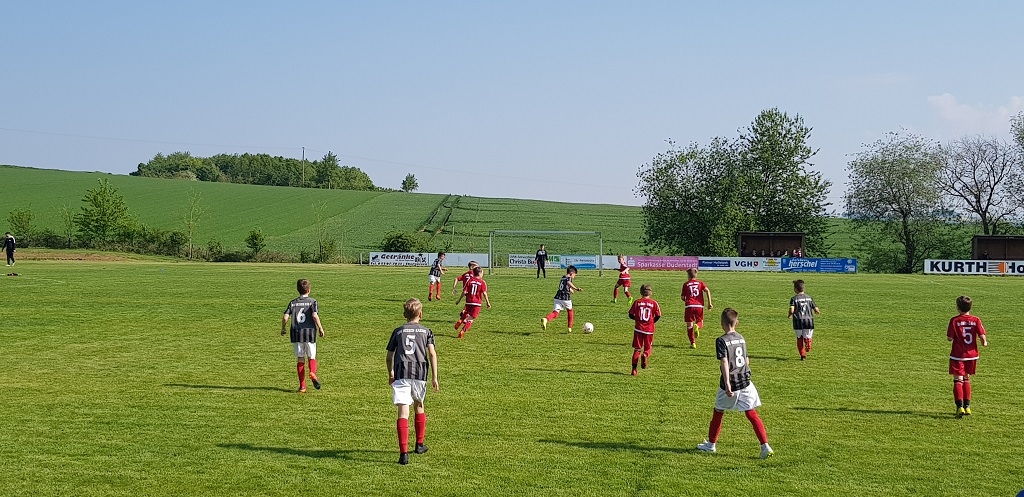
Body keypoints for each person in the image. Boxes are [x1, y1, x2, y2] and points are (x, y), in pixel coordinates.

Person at [697, 308, 773, 459]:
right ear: (736, 322)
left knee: (718, 411)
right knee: (751, 413)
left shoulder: (721, 340)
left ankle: (711, 445)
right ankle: (765, 446)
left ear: (722, 323)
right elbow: (746, 359)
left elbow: (724, 361)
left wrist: (727, 383)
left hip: (732, 383)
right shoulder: (741, 338)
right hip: (746, 381)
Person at [386, 298, 440, 465]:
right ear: (421, 314)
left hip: (401, 372)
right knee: (419, 406)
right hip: (419, 373)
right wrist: (435, 377)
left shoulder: (398, 331)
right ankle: (419, 444)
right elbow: (432, 354)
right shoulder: (427, 331)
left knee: (403, 413)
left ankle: (403, 454)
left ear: (404, 315)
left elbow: (389, 356)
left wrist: (391, 373)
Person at [281, 279, 326, 393]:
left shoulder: (293, 303)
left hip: (296, 333)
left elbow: (285, 317)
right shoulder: (312, 301)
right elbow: (314, 315)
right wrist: (320, 328)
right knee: (311, 356)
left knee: (300, 358)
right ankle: (312, 372)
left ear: (298, 290)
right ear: (309, 290)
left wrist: (283, 328)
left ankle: (302, 387)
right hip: (309, 332)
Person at [948, 295, 988, 418]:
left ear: (957, 308)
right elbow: (982, 335)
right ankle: (968, 407)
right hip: (972, 355)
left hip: (958, 355)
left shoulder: (954, 320)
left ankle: (959, 407)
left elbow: (949, 338)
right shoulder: (976, 320)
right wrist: (984, 342)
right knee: (966, 378)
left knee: (958, 379)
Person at [628, 284, 661, 376]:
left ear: (640, 292)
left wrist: (637, 319)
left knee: (637, 349)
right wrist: (652, 322)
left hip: (638, 329)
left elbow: (630, 315)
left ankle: (634, 370)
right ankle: (645, 355)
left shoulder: (637, 302)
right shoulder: (654, 303)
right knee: (648, 348)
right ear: (650, 293)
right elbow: (658, 315)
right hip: (649, 330)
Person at [541, 265, 582, 333]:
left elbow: (564, 285)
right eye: (574, 275)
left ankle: (546, 319)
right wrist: (576, 288)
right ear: (571, 273)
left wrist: (570, 289)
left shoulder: (563, 277)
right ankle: (569, 327)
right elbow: (568, 282)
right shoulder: (569, 278)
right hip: (565, 297)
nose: (574, 277)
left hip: (557, 297)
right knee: (570, 310)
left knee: (555, 313)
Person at [454, 266, 491, 338]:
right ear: (479, 273)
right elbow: (484, 293)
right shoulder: (482, 282)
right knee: (471, 319)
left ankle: (460, 320)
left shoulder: (469, 281)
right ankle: (463, 331)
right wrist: (488, 302)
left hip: (469, 302)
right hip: (477, 303)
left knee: (466, 313)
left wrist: (459, 300)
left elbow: (464, 292)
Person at [788, 279, 821, 361]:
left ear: (795, 289)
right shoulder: (809, 298)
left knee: (799, 338)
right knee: (808, 337)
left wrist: (790, 314)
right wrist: (817, 311)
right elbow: (816, 309)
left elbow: (792, 309)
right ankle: (808, 344)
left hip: (798, 321)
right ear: (803, 288)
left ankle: (803, 356)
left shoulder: (794, 299)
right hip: (809, 320)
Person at [681, 267, 712, 349]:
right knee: (700, 321)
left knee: (689, 325)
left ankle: (693, 343)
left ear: (688, 275)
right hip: (699, 306)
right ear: (696, 275)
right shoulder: (700, 283)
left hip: (689, 306)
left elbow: (682, 297)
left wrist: (687, 300)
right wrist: (709, 303)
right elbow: (707, 290)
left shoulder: (686, 284)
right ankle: (697, 326)